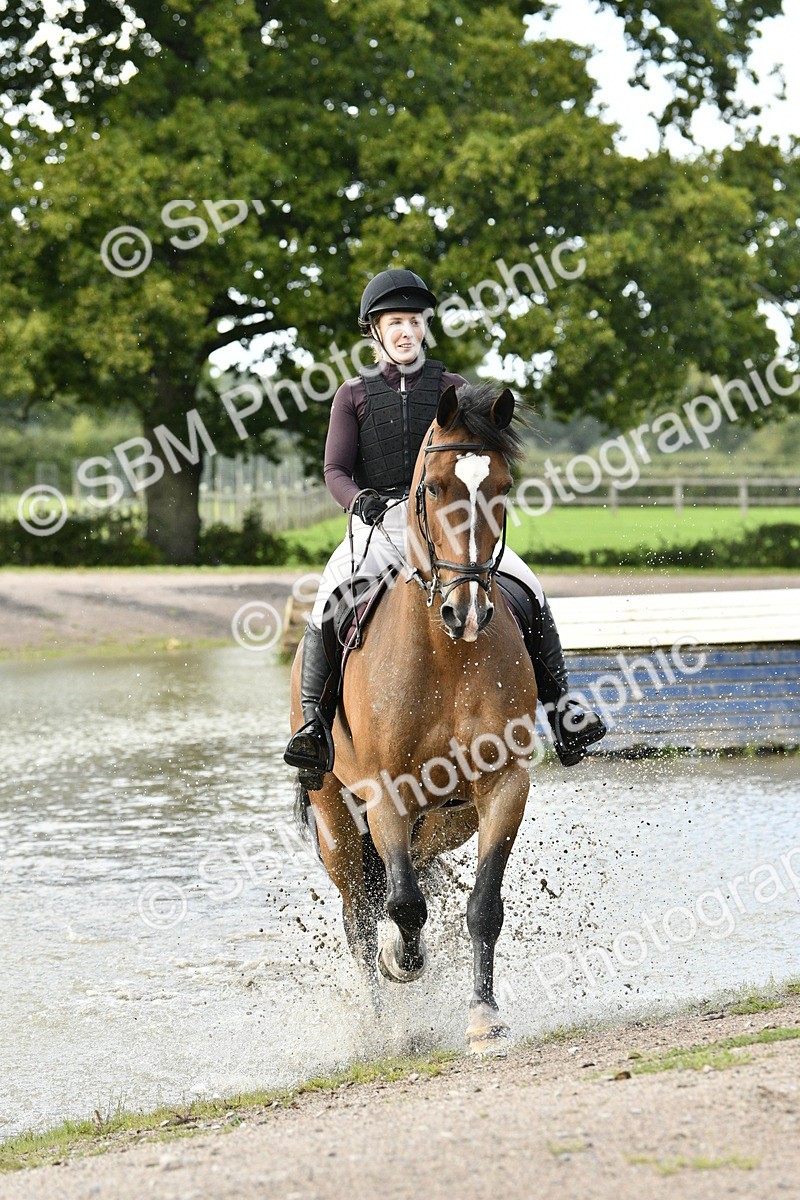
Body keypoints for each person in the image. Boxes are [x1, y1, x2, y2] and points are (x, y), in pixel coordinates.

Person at [284, 268, 606, 780]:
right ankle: (315, 729)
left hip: (453, 522)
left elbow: (481, 457)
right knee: (330, 598)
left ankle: (563, 712)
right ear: (375, 330)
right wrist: (358, 500)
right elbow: (334, 470)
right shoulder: (353, 395)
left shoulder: (453, 388)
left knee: (530, 587)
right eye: (395, 322)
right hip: (383, 525)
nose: (405, 331)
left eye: (413, 321)